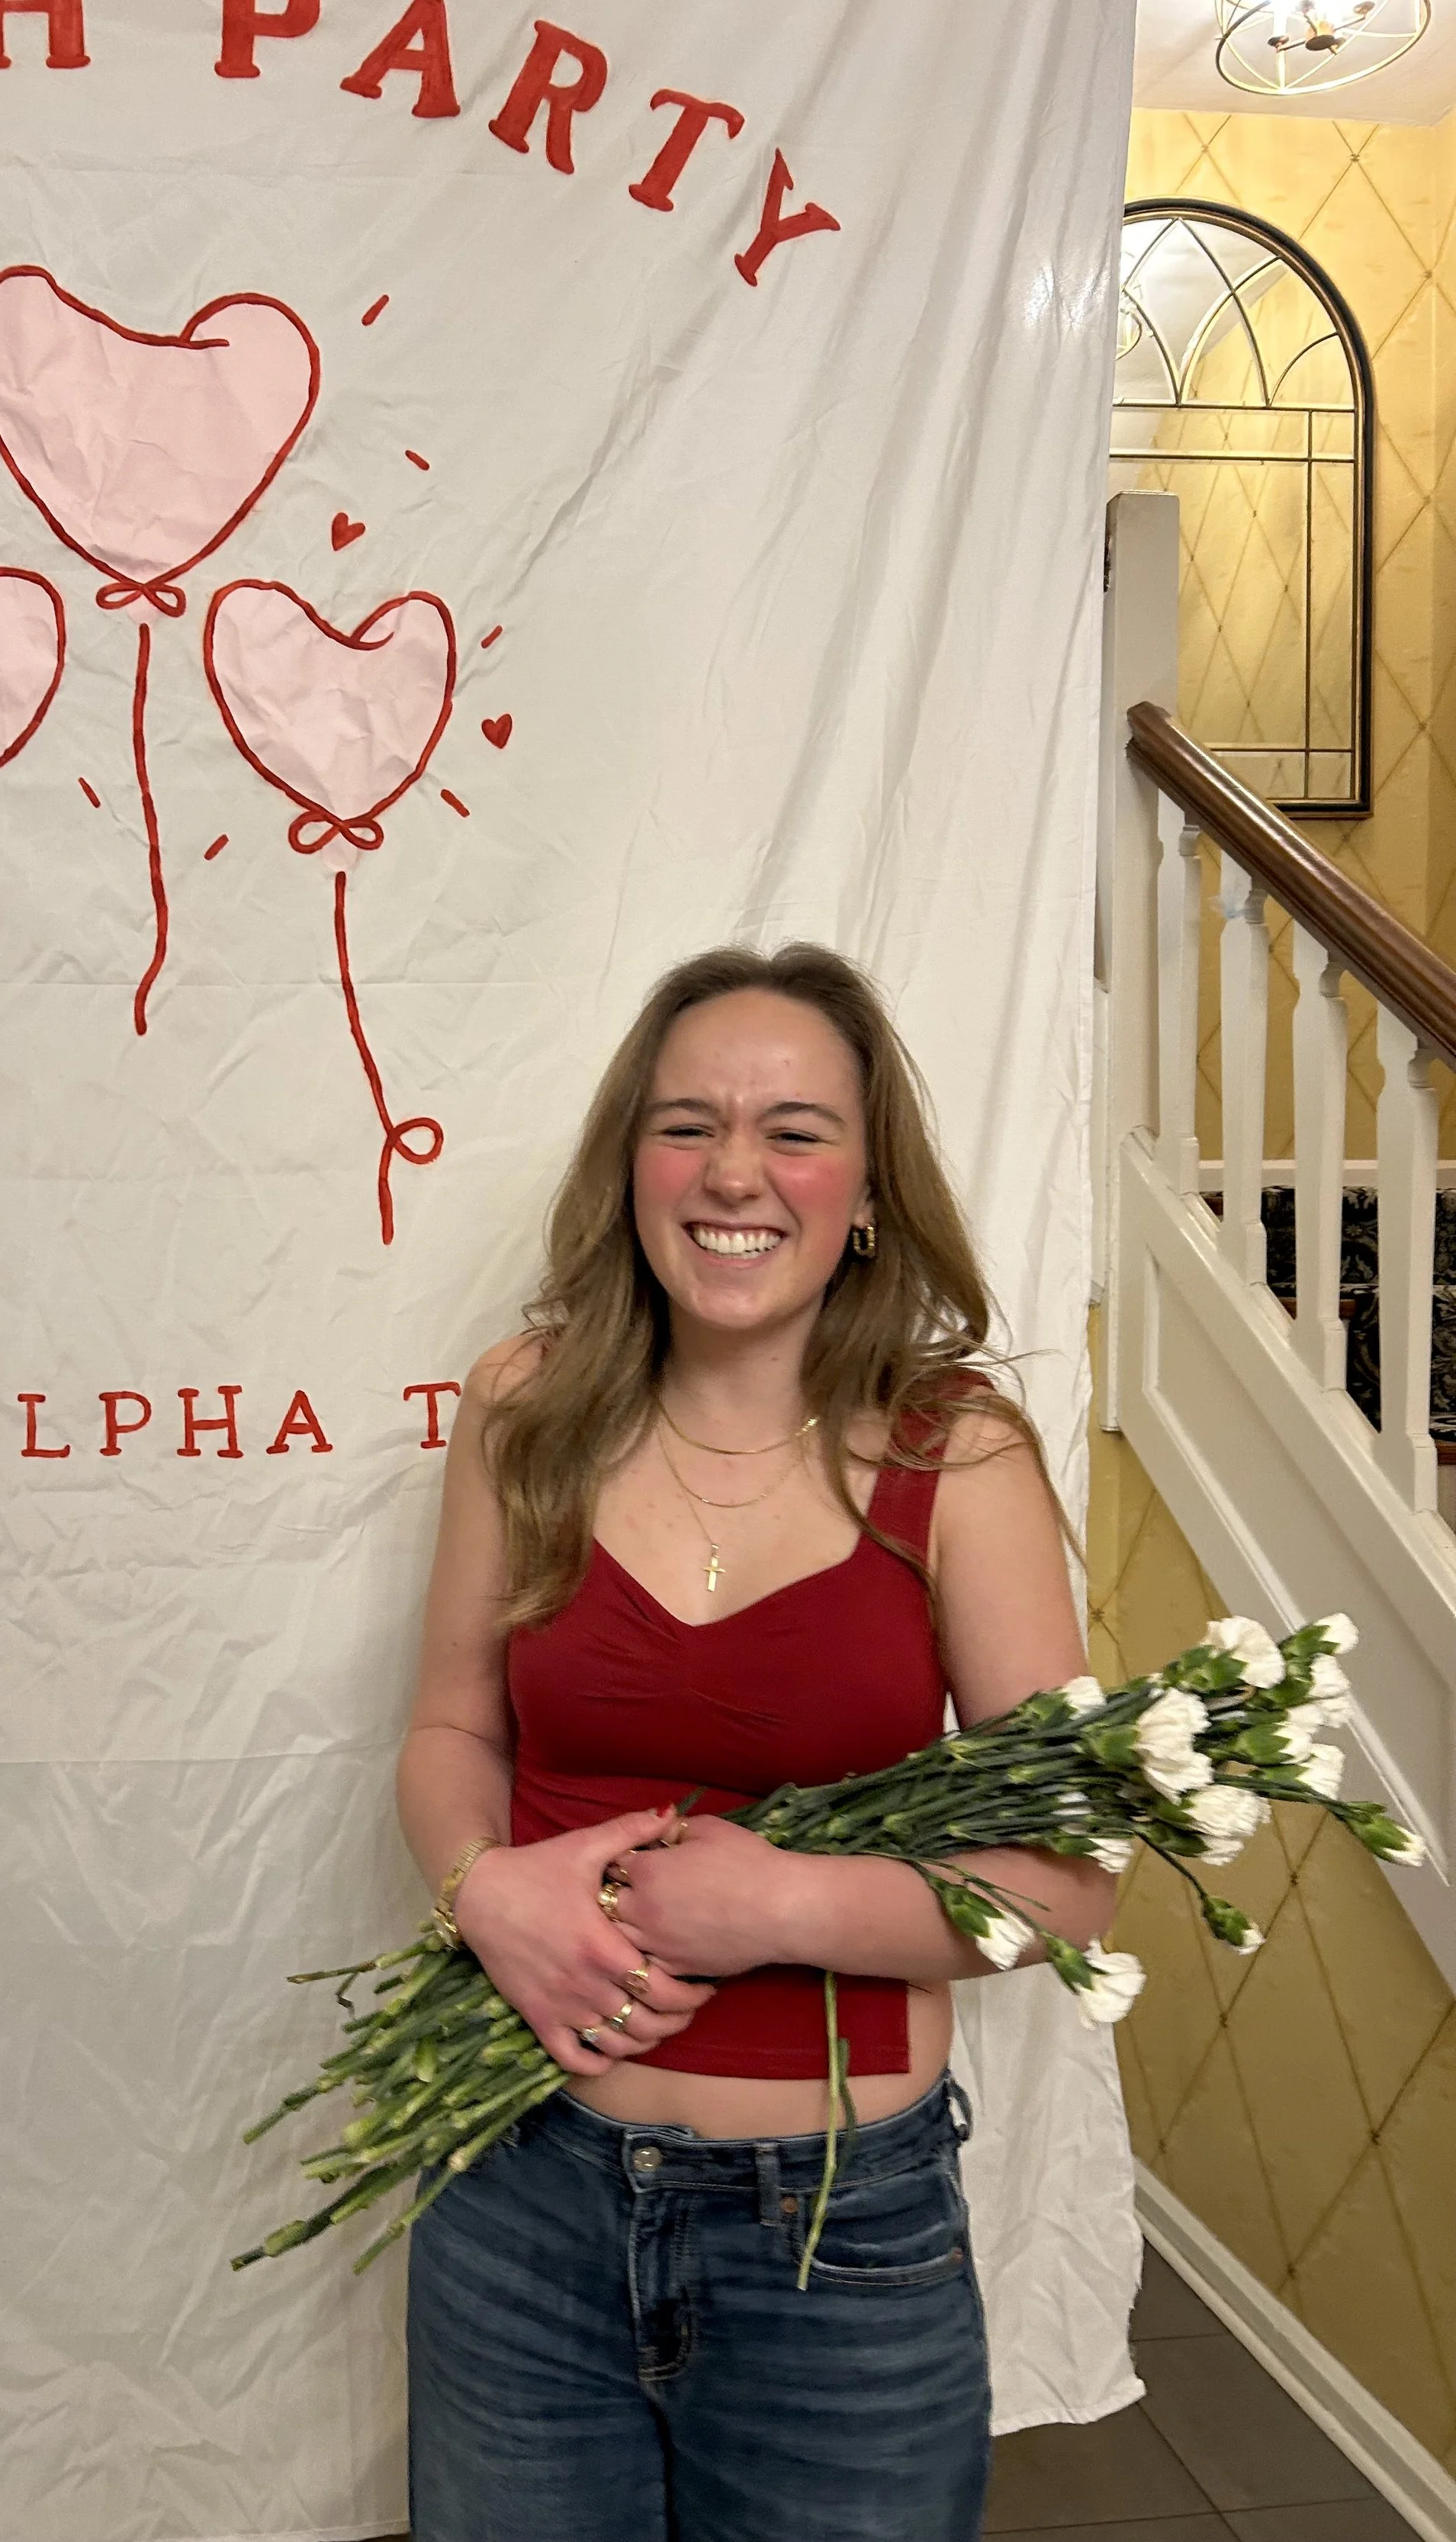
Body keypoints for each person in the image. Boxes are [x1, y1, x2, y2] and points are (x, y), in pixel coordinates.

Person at [395, 943, 1114, 2542]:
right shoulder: (524, 1409)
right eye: (685, 1124)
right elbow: (448, 1726)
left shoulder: (956, 1455)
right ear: (628, 1169)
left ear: (864, 1190)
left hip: (834, 2243)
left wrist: (777, 1904)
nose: (733, 1170)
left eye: (792, 1127)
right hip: (515, 2178)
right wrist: (480, 1889)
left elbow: (1066, 1887)